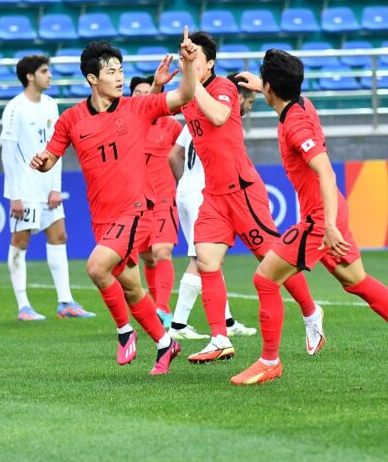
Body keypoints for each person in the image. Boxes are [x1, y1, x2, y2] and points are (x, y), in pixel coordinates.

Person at [229, 51, 388, 386]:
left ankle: (269, 361)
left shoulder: (294, 125)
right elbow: (290, 92)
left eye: (262, 83)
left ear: (269, 88)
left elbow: (325, 172)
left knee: (265, 279)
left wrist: (326, 226)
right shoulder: (302, 104)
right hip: (333, 211)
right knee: (357, 282)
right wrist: (263, 83)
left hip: (320, 218)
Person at [30, 31, 197, 375]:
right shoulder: (72, 119)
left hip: (137, 209)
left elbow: (184, 95)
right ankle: (166, 345)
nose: (119, 77)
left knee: (96, 267)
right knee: (133, 287)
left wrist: (190, 63)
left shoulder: (138, 107)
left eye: (121, 70)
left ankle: (124, 333)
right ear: (92, 78)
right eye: (111, 71)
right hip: (103, 217)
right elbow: (51, 156)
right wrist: (42, 161)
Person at [176, 32, 321, 365]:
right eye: (187, 57)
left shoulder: (223, 89)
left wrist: (190, 78)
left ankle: (312, 314)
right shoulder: (187, 93)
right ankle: (219, 338)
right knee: (206, 261)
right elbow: (157, 108)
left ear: (209, 63)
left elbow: (218, 116)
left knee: (272, 260)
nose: (189, 63)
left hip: (242, 191)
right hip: (213, 194)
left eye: (194, 58)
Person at [166, 73, 260, 341]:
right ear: (237, 96)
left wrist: (184, 183)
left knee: (211, 260)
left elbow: (174, 154)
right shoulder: (221, 114)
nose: (248, 108)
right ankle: (179, 325)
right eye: (249, 102)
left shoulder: (197, 109)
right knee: (202, 260)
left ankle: (226, 321)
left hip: (186, 190)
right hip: (203, 193)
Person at [1, 54, 95, 321]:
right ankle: (23, 306)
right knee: (20, 242)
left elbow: (58, 146)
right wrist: (14, 195)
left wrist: (56, 187)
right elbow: (7, 154)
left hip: (47, 188)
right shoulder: (15, 108)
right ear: (30, 76)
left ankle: (65, 302)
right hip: (25, 189)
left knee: (59, 236)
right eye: (44, 71)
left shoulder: (51, 105)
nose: (50, 75)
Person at [129, 75, 183, 327]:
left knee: (163, 252)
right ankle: (156, 307)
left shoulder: (172, 127)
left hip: (164, 199)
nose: (143, 96)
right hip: (138, 204)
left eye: (146, 92)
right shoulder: (129, 125)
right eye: (137, 93)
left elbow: (184, 155)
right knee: (148, 258)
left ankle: (162, 308)